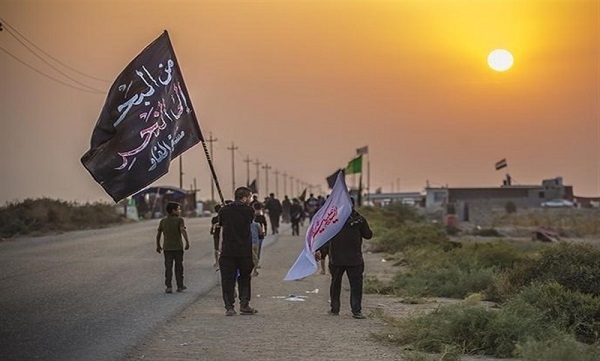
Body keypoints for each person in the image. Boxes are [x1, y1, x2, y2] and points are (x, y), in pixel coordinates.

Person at [316, 198, 372, 319]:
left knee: (335, 283)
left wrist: (320, 250)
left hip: (336, 259)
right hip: (354, 259)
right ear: (353, 205)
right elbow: (368, 235)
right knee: (356, 285)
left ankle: (335, 309)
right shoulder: (359, 220)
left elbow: (325, 237)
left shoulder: (333, 220)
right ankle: (356, 311)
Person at [218, 186, 258, 316]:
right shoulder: (249, 211)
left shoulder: (224, 211)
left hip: (227, 251)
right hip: (244, 251)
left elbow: (222, 223)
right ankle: (244, 304)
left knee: (227, 280)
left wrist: (227, 208)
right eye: (250, 197)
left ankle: (229, 307)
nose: (251, 200)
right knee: (245, 278)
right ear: (245, 197)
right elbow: (247, 219)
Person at [155, 201, 190, 294]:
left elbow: (158, 234)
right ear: (173, 210)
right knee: (179, 267)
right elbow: (182, 230)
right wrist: (187, 242)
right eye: (178, 209)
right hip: (178, 248)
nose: (180, 211)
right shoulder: (179, 220)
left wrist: (158, 245)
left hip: (167, 248)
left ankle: (169, 287)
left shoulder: (163, 221)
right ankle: (180, 286)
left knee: (168, 267)